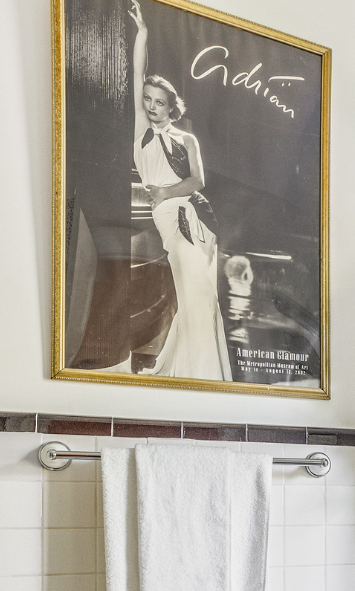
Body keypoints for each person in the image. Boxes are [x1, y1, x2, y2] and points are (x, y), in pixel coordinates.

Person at [127, 0, 232, 381]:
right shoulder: (141, 133)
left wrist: (167, 192)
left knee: (203, 296)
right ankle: (198, 375)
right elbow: (138, 74)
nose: (152, 107)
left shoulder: (187, 138)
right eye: (148, 101)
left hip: (198, 214)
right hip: (171, 220)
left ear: (172, 106)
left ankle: (200, 374)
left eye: (160, 103)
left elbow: (198, 182)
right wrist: (144, 34)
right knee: (194, 295)